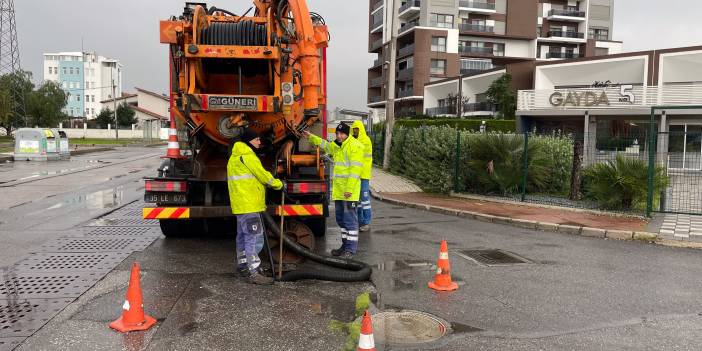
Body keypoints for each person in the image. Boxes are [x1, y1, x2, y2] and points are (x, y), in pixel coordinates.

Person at [227, 129, 283, 285]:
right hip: (249, 204)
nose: (259, 142)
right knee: (253, 236)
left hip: (240, 205)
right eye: (257, 139)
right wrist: (278, 184)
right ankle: (254, 272)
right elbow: (263, 175)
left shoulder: (234, 157)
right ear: (248, 141)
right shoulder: (248, 156)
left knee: (243, 236)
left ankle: (243, 266)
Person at [303, 122, 364, 258]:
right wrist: (310, 136)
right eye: (337, 133)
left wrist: (348, 189)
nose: (339, 136)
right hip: (339, 192)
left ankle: (350, 250)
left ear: (347, 134)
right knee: (341, 221)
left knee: (350, 222)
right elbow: (325, 144)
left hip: (349, 192)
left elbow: (355, 171)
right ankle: (345, 246)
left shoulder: (355, 147)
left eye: (341, 133)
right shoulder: (337, 146)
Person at [352, 120, 373, 232]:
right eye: (353, 130)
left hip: (363, 175)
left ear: (360, 129)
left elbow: (358, 152)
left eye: (357, 129)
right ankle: (360, 221)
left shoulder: (365, 140)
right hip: (355, 175)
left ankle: (366, 222)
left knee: (364, 199)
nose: (355, 132)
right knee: (358, 200)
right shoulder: (353, 140)